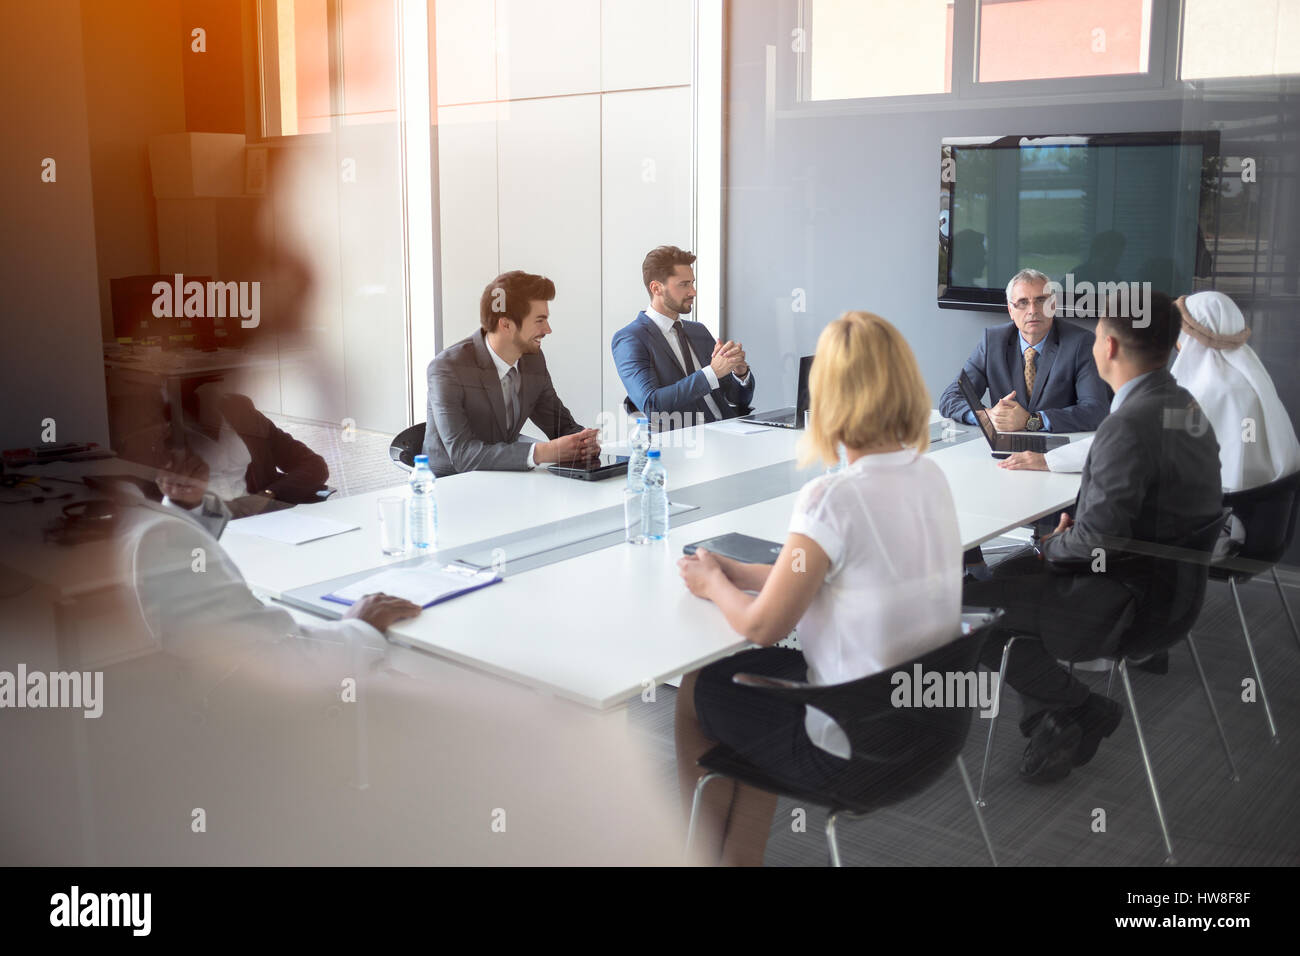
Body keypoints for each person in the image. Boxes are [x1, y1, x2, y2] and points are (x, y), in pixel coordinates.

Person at [674, 311, 962, 865]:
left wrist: (712, 582)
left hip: (857, 746)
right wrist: (745, 572)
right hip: (931, 730)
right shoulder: (929, 474)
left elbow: (763, 627)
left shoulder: (833, 496)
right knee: (751, 690)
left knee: (697, 689)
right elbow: (847, 575)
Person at [963, 292, 1223, 783]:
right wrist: (1073, 538)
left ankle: (1079, 709)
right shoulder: (1185, 406)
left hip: (1125, 603)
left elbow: (1097, 546)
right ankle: (1055, 719)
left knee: (969, 604)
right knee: (1003, 576)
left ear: (1106, 347)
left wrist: (1050, 547)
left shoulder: (1126, 425)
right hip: (1172, 593)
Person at [998, 290, 1300, 544]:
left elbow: (1125, 438)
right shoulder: (1248, 380)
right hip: (1261, 526)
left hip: (1220, 531)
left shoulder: (1210, 392)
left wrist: (1048, 460)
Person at [423, 271, 600, 476]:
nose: (547, 329)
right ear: (506, 324)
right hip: (450, 486)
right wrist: (543, 452)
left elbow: (559, 424)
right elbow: (463, 455)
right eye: (539, 320)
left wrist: (584, 442)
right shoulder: (447, 368)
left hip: (506, 479)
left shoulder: (533, 360)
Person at [939, 267, 1109, 434]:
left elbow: (1095, 410)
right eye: (1023, 303)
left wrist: (1032, 420)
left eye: (1041, 300)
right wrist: (987, 416)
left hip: (1058, 450)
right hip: (1005, 445)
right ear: (1010, 310)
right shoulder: (993, 342)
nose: (1033, 310)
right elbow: (950, 398)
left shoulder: (1081, 343)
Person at [612, 245, 755, 430]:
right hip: (685, 444)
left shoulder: (698, 331)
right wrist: (711, 373)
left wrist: (740, 373)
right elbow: (651, 404)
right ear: (656, 288)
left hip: (730, 432)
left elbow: (736, 399)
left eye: (692, 283)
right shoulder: (631, 339)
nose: (693, 292)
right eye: (684, 284)